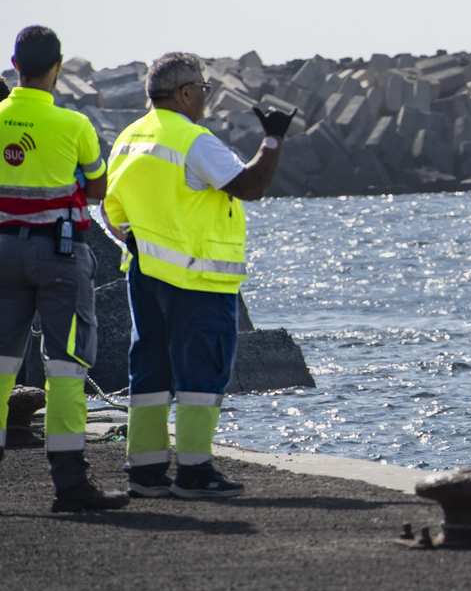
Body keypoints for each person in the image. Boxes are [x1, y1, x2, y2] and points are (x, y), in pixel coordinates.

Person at [103, 52, 296, 499]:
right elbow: (248, 187)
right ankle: (195, 471)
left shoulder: (128, 139)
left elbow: (110, 213)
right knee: (201, 371)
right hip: (197, 279)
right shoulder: (193, 140)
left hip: (144, 274)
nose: (205, 99)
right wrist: (272, 141)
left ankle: (146, 472)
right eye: (204, 91)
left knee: (149, 369)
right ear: (186, 93)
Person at [0, 26, 127, 511]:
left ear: (15, 64)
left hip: (2, 254)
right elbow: (97, 189)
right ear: (57, 67)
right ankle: (71, 486)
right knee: (66, 367)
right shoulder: (73, 125)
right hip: (59, 255)